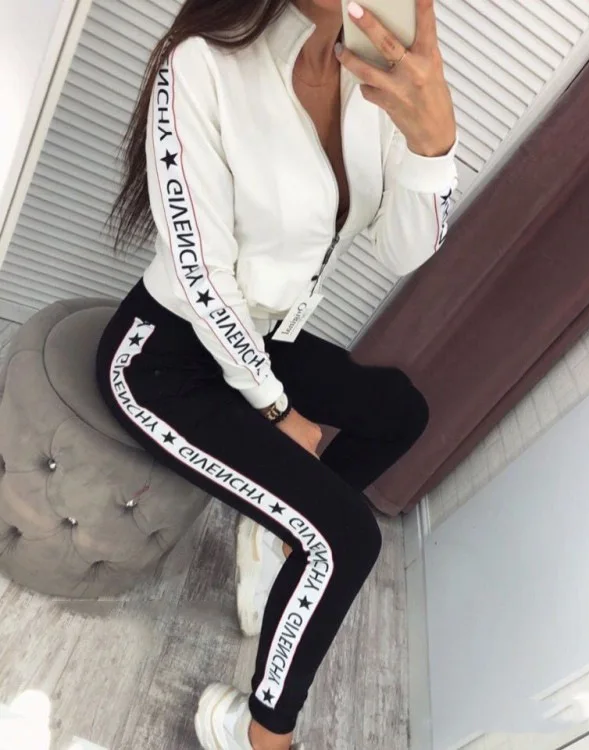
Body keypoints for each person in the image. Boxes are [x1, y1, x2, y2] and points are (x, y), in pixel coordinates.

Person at [96, 0, 458, 747]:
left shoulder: (372, 79)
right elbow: (201, 277)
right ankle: (260, 736)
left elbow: (403, 252)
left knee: (401, 411)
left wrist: (432, 146)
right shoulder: (200, 65)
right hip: (163, 358)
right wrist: (274, 410)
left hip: (261, 340)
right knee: (348, 537)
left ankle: (285, 529)